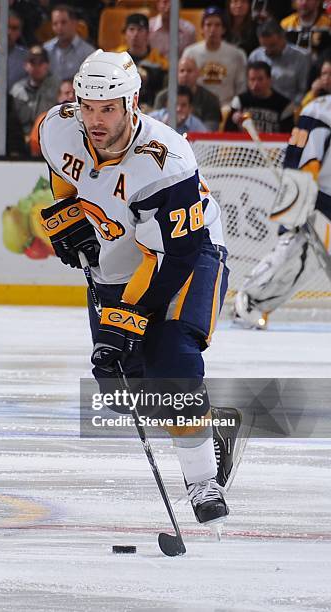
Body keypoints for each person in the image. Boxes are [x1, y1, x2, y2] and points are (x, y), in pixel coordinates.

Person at [39, 50, 238, 527]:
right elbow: (65, 178)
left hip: (188, 255)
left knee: (173, 359)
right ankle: (213, 432)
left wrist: (127, 318)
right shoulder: (57, 126)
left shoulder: (166, 161)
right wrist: (67, 219)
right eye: (87, 106)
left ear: (133, 103)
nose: (95, 120)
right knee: (119, 380)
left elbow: (174, 257)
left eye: (108, 109)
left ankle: (201, 482)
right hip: (120, 258)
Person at [234, 93, 331, 328]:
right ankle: (248, 301)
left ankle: (256, 304)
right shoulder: (321, 111)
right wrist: (300, 200)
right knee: (295, 253)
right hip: (316, 197)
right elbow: (302, 157)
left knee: (305, 264)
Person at [182, 6, 247, 107]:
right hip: (197, 108)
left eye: (217, 25)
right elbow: (183, 85)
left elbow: (241, 89)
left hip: (226, 108)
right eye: (208, 25)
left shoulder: (236, 54)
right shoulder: (190, 53)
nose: (212, 29)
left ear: (223, 29)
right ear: (202, 29)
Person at [249, 20, 311, 106]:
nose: (269, 51)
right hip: (259, 107)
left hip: (289, 107)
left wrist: (291, 108)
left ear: (283, 38)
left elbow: (303, 90)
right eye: (264, 46)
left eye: (272, 45)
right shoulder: (255, 56)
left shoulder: (301, 57)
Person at [113, 13, 168, 108]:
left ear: (147, 34)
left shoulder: (159, 61)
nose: (135, 34)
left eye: (140, 30)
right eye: (131, 29)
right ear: (125, 33)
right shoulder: (116, 58)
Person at [154, 57, 221, 131]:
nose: (185, 74)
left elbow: (209, 132)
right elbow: (155, 124)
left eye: (189, 71)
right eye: (182, 71)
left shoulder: (210, 99)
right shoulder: (163, 97)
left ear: (198, 73)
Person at [225, 61, 294, 133]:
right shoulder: (239, 101)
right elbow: (227, 133)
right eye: (252, 79)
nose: (255, 84)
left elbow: (288, 135)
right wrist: (236, 122)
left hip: (272, 143)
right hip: (244, 143)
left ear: (269, 80)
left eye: (260, 79)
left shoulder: (284, 105)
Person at [10, 45, 59, 137]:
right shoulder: (16, 90)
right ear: (25, 65)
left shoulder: (58, 87)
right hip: (22, 137)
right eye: (32, 62)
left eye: (41, 62)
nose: (37, 66)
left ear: (47, 65)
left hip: (50, 136)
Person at [43, 4, 95, 83]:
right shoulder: (46, 49)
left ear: (74, 23)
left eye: (63, 22)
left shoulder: (89, 53)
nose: (59, 27)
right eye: (55, 24)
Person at [28, 77, 75, 156]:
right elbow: (35, 147)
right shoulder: (44, 119)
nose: (71, 96)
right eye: (67, 93)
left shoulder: (86, 121)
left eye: (74, 93)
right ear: (59, 96)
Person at [0, 10, 27, 90]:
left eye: (14, 28)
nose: (8, 32)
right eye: (5, 26)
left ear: (20, 32)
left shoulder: (26, 58)